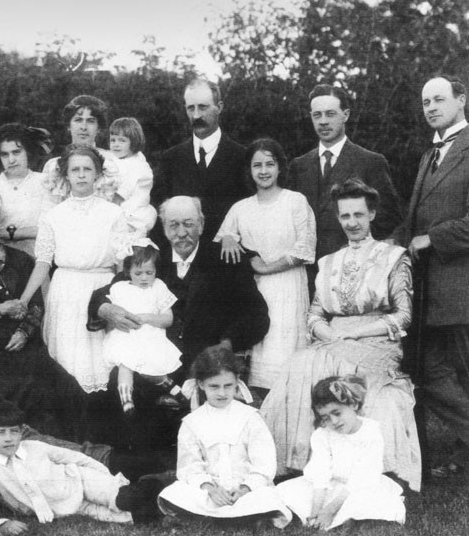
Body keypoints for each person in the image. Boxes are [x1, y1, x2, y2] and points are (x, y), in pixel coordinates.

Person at [261, 179, 421, 491]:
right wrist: (330, 335)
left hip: (377, 341)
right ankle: (300, 462)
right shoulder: (330, 262)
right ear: (338, 218)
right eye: (345, 216)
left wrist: (356, 333)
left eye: (359, 215)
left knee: (329, 364)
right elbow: (316, 314)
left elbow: (403, 315)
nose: (352, 223)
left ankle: (357, 470)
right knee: (300, 364)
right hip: (333, 339)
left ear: (372, 214)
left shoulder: (393, 257)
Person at [88, 196, 269, 450]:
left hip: (204, 359)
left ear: (202, 225)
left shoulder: (226, 259)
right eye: (173, 225)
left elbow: (257, 314)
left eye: (189, 224)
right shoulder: (151, 259)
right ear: (163, 227)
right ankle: (136, 463)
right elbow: (106, 291)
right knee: (122, 385)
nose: (182, 233)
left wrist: (226, 344)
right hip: (156, 357)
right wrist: (106, 308)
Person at [0, 365, 165, 519]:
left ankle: (169, 479)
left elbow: (28, 436)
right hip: (17, 494)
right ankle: (141, 504)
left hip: (48, 468)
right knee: (91, 504)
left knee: (135, 464)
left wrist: (90, 454)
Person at [0, 182, 91, 441]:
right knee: (18, 389)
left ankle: (70, 452)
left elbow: (36, 305)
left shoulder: (20, 260)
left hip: (24, 346)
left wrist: (25, 332)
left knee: (66, 387)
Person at [393, 75, 469, 478]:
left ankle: (463, 455)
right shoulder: (430, 153)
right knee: (429, 372)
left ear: (461, 99)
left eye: (439, 99)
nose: (431, 108)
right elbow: (413, 221)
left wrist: (431, 239)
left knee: (460, 374)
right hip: (430, 292)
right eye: (425, 102)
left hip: (461, 289)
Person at [20, 144, 132, 394]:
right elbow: (42, 262)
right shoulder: (53, 216)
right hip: (66, 292)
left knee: (103, 361)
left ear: (97, 174)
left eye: (87, 169)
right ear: (66, 175)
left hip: (101, 291)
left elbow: (122, 263)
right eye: (75, 170)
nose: (81, 175)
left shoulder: (114, 213)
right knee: (69, 364)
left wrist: (120, 298)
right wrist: (24, 299)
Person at [215, 139, 316, 392]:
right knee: (256, 354)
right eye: (257, 165)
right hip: (252, 291)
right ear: (249, 170)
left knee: (284, 357)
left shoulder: (295, 201)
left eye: (269, 164)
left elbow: (305, 248)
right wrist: (228, 237)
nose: (263, 171)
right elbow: (219, 245)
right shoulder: (241, 208)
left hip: (288, 287)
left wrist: (266, 268)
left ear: (280, 167)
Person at [157, 348, 292, 529]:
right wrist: (210, 488)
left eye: (228, 385)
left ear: (237, 382)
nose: (222, 393)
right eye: (214, 386)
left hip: (246, 491)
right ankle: (239, 518)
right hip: (211, 493)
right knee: (175, 493)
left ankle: (221, 517)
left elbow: (264, 464)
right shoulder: (192, 422)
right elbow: (189, 467)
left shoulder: (250, 417)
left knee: (268, 498)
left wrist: (245, 488)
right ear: (201, 384)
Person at [0, 399, 134, 531]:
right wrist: (2, 525)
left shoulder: (35, 446)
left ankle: (142, 491)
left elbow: (76, 458)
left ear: (21, 432)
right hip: (65, 507)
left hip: (81, 480)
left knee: (119, 497)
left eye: (14, 431)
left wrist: (104, 476)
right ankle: (152, 507)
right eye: (0, 432)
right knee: (120, 516)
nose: (8, 438)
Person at [286, 84, 402, 263]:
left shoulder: (371, 162)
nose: (323, 121)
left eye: (330, 114)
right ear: (311, 117)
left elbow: (388, 217)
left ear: (345, 115)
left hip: (353, 267)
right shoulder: (298, 166)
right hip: (304, 271)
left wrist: (356, 246)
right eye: (317, 115)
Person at [276, 376, 406, 530]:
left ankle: (348, 517)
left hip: (359, 486)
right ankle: (315, 517)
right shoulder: (322, 434)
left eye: (337, 413)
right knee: (285, 491)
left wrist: (330, 510)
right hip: (330, 486)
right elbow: (320, 472)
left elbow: (363, 476)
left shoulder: (371, 432)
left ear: (353, 404)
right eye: (326, 417)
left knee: (372, 502)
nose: (334, 422)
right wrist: (316, 510)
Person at [150, 78, 250, 241]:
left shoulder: (243, 157)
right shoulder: (170, 159)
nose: (196, 115)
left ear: (219, 107)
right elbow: (159, 212)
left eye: (203, 107)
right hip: (182, 258)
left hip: (227, 259)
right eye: (191, 108)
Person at [101, 240, 182, 414]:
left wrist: (147, 318)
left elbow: (168, 319)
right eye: (138, 273)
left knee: (150, 370)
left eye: (149, 272)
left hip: (151, 337)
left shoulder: (159, 287)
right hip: (127, 336)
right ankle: (127, 401)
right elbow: (112, 317)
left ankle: (173, 388)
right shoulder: (119, 288)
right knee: (125, 364)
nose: (144, 278)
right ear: (128, 271)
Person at [0, 123, 53, 257]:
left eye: (16, 152)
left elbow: (47, 229)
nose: (11, 160)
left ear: (28, 152)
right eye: (5, 154)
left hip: (37, 260)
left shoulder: (45, 182)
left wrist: (6, 234)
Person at [41, 95, 121, 203]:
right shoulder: (53, 166)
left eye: (90, 121)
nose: (83, 127)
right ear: (69, 126)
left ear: (99, 128)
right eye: (78, 120)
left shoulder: (113, 162)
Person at [108, 117, 157, 235]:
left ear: (134, 142)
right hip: (118, 204)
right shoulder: (116, 158)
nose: (116, 145)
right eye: (113, 140)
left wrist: (108, 210)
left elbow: (122, 193)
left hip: (132, 210)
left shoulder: (138, 165)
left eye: (122, 141)